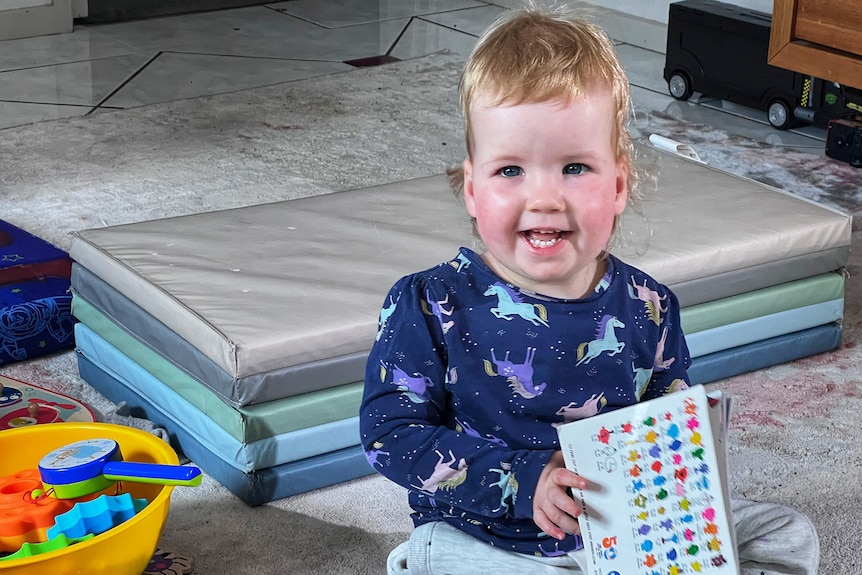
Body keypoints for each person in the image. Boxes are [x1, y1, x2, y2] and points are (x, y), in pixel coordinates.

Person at [359, 5, 820, 575]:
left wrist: (683, 492)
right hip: (491, 533)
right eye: (510, 171)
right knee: (445, 559)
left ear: (619, 184)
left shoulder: (650, 306)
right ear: (472, 190)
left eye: (574, 167)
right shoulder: (430, 303)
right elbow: (390, 436)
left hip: (627, 525)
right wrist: (524, 482)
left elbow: (667, 420)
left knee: (787, 535)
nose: (545, 198)